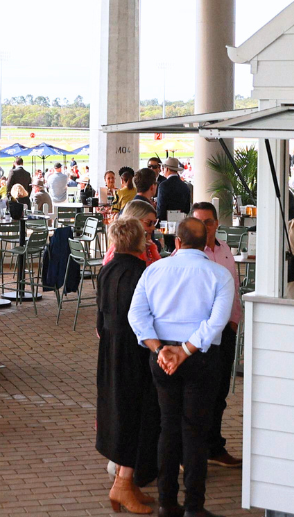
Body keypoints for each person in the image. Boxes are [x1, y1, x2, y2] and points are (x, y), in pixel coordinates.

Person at [128, 217, 234, 517]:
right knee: (195, 432)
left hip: (162, 356)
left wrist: (161, 349)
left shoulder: (154, 270)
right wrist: (185, 350)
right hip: (199, 356)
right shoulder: (219, 273)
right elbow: (218, 322)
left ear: (177, 242)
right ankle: (194, 507)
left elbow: (136, 316)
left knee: (168, 428)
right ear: (206, 244)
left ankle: (166, 502)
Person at [96, 216, 160, 515]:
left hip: (109, 350)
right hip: (133, 353)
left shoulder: (107, 269)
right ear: (139, 240)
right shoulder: (141, 272)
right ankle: (122, 483)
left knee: (118, 410)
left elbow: (100, 316)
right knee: (135, 415)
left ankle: (128, 481)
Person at [193, 201, 243, 469]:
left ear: (216, 224)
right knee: (199, 396)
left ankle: (214, 446)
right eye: (199, 222)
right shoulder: (188, 254)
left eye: (209, 222)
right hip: (199, 336)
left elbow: (234, 288)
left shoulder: (225, 251)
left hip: (226, 332)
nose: (204, 227)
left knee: (220, 393)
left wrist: (234, 322)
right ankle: (193, 452)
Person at [104, 200, 161, 266]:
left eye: (154, 223)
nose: (153, 227)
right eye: (149, 223)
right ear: (134, 222)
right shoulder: (122, 253)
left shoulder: (149, 247)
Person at [156, 157, 192, 226]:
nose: (162, 170)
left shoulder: (163, 185)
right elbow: (187, 208)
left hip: (166, 223)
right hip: (181, 222)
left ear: (167, 169)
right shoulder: (185, 186)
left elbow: (161, 208)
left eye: (163, 168)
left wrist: (159, 224)